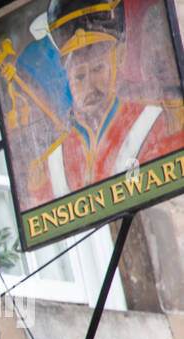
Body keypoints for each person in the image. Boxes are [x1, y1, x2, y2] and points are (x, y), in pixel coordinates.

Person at [27, 0, 184, 205]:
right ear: (67, 77)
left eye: (98, 69)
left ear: (117, 59)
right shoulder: (46, 169)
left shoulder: (164, 122)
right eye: (79, 76)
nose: (90, 86)